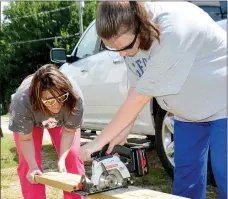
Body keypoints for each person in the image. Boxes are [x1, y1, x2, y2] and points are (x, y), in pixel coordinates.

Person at [79, 2, 227, 199]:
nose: (122, 54)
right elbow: (136, 88)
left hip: (223, 105)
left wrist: (96, 142)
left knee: (224, 171)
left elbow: (140, 98)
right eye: (115, 49)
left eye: (125, 47)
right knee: (186, 180)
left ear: (140, 25)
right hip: (187, 115)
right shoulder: (130, 38)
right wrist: (124, 129)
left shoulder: (174, 28)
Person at [9, 64, 85, 199]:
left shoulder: (74, 96)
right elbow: (26, 139)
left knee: (72, 157)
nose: (56, 105)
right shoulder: (22, 101)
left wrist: (61, 159)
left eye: (60, 98)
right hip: (30, 120)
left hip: (61, 120)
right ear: (38, 97)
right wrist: (33, 166)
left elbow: (69, 132)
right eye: (49, 101)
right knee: (30, 167)